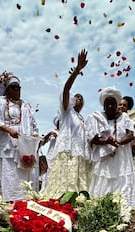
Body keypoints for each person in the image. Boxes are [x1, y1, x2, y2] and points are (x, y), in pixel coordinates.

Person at [45, 49, 91, 197]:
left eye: (82, 98)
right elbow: (66, 89)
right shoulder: (66, 111)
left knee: (77, 191)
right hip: (66, 151)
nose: (79, 98)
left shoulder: (81, 118)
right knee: (62, 189)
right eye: (76, 96)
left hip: (79, 155)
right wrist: (77, 70)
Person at [0, 71, 39, 202]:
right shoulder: (1, 102)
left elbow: (34, 125)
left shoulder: (26, 105)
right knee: (12, 174)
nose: (17, 90)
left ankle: (27, 201)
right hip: (10, 145)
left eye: (18, 87)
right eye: (13, 87)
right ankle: (12, 201)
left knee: (27, 175)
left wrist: (34, 134)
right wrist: (9, 130)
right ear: (7, 90)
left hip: (26, 147)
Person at [85, 87, 135, 208]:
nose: (109, 106)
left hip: (122, 158)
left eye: (112, 104)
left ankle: (123, 211)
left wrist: (118, 142)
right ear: (103, 106)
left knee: (122, 182)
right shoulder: (97, 118)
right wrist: (106, 142)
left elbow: (131, 134)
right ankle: (102, 210)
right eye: (107, 104)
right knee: (103, 182)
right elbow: (92, 139)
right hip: (104, 159)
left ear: (117, 105)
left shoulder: (124, 117)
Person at [39, 114, 59, 189]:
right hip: (51, 156)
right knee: (49, 174)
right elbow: (42, 143)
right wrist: (49, 134)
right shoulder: (52, 131)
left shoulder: (66, 132)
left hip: (60, 156)